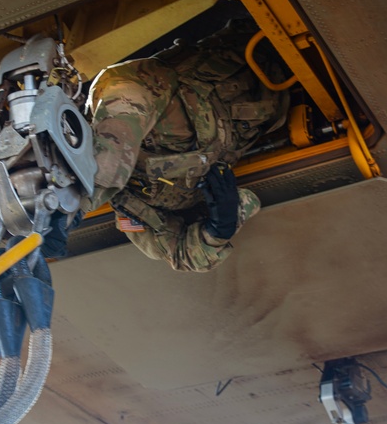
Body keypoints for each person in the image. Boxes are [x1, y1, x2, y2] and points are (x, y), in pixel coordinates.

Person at [77, 21, 290, 272]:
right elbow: (181, 256)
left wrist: (88, 188)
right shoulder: (132, 205)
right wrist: (220, 228)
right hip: (286, 102)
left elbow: (122, 122)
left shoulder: (119, 95)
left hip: (266, 42)